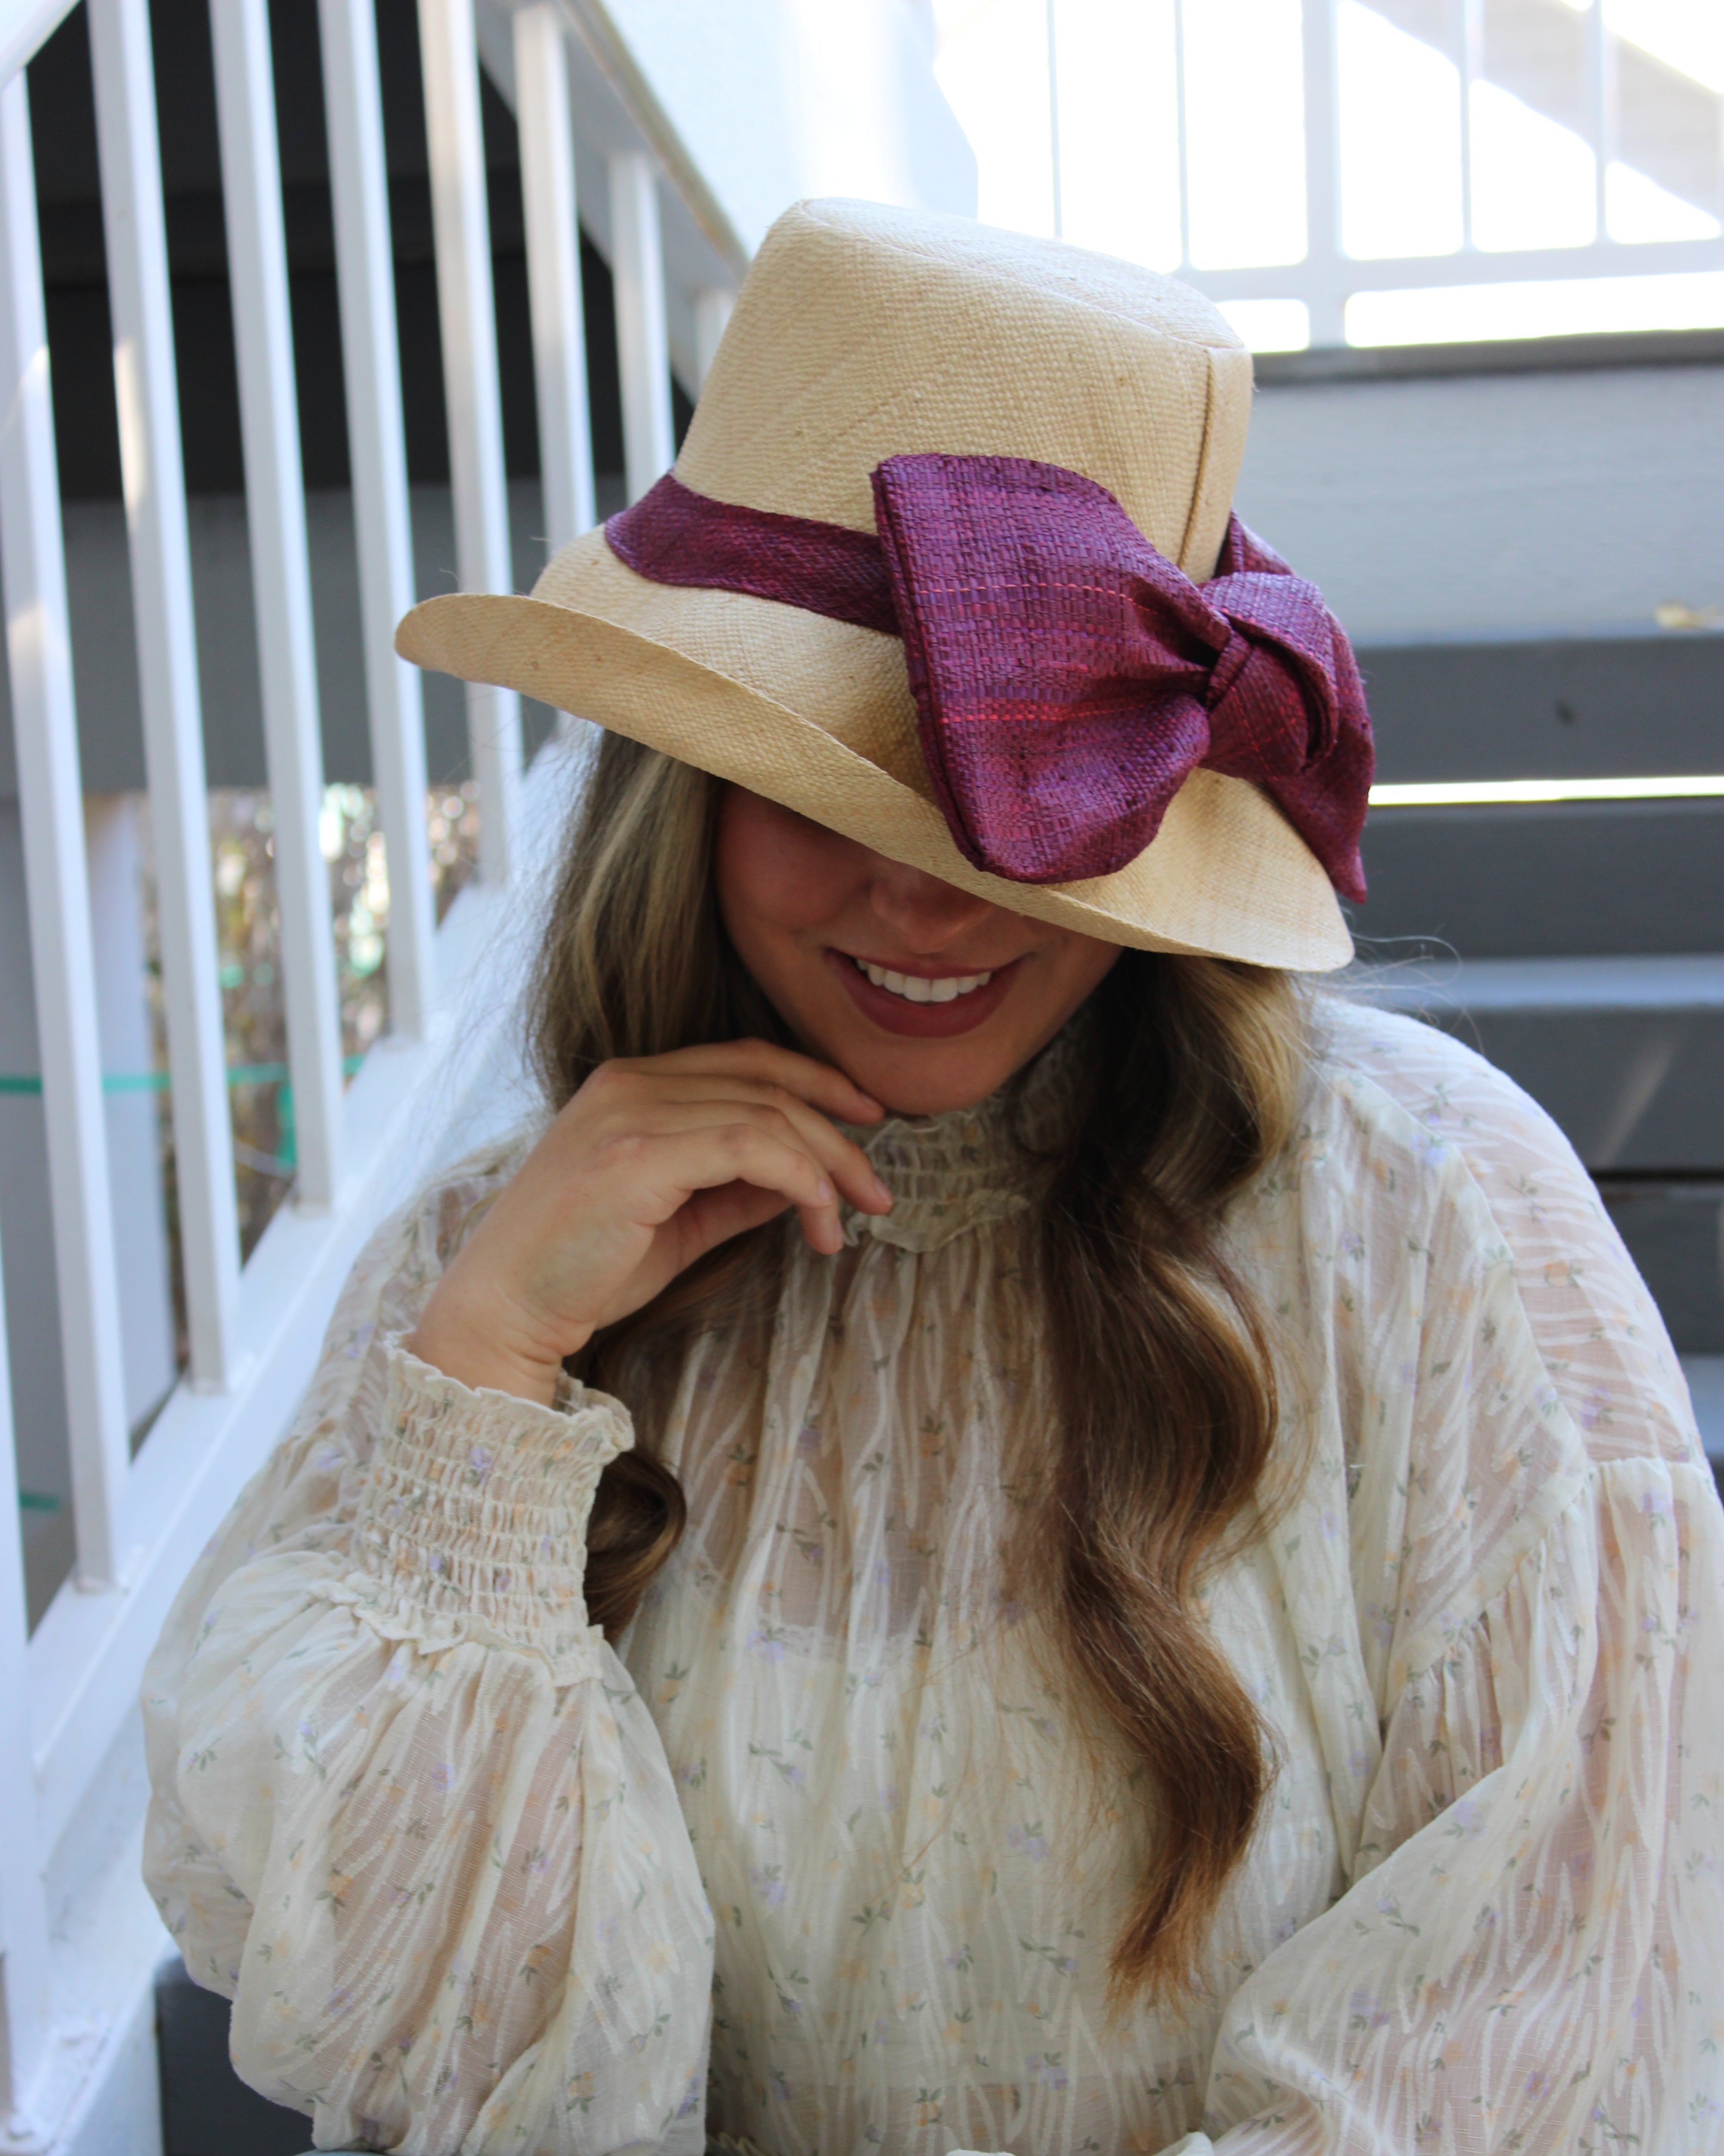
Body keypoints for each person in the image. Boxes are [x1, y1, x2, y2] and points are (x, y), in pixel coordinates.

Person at [141, 201, 1724, 2156]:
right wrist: (484, 1373)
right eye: (826, 788)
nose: (921, 900)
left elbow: (1532, 2035)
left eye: (1016, 812)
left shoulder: (1433, 1218)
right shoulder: (502, 1262)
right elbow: (427, 2052)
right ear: (681, 786)